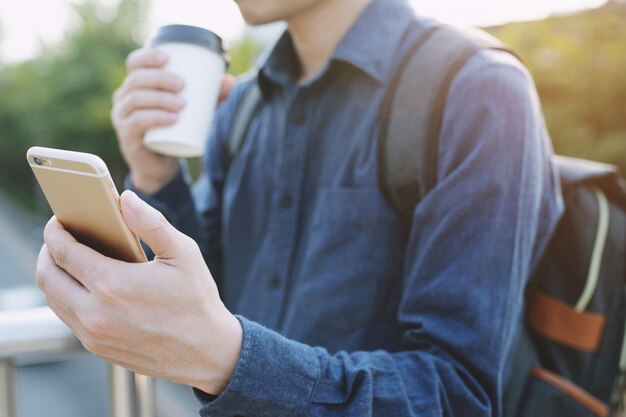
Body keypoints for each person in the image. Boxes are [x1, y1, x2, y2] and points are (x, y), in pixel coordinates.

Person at [36, 0, 564, 415]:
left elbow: (459, 396)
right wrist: (156, 176)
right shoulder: (241, 109)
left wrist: (228, 362)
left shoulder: (478, 90)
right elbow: (209, 302)